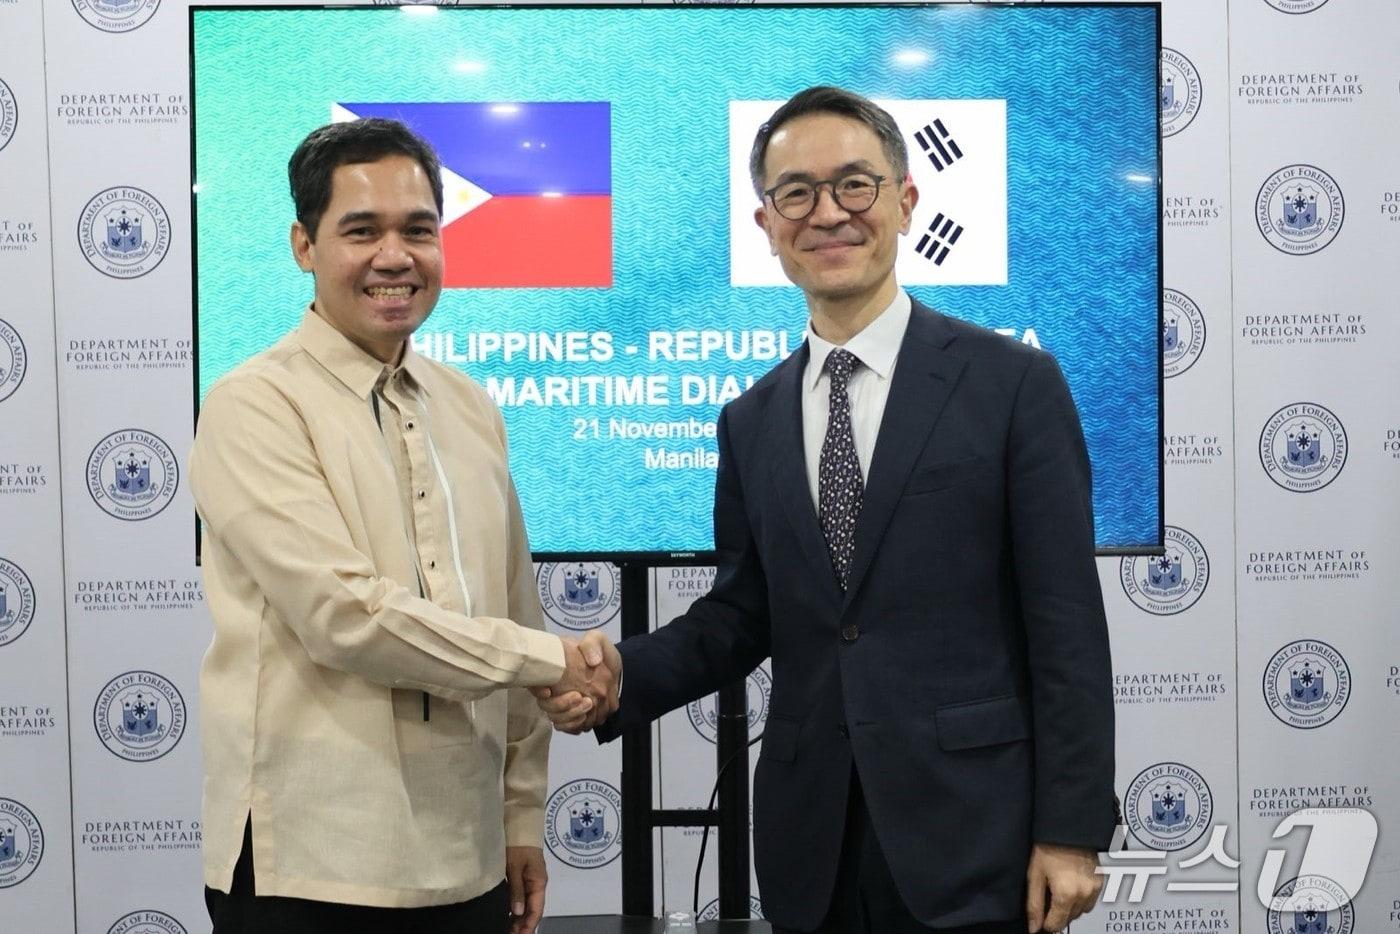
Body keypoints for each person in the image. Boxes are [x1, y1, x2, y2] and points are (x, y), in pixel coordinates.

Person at [536, 87, 1115, 934]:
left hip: (975, 838)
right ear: (767, 224)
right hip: (814, 846)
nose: (828, 214)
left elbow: (1067, 625)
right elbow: (743, 615)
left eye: (855, 185)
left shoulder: (1013, 385)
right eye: (796, 193)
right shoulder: (752, 419)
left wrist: (1069, 832)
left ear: (906, 202)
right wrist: (621, 677)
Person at [189, 118, 617, 934]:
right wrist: (550, 660)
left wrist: (522, 816)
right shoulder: (255, 405)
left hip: (469, 861)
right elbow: (344, 618)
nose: (396, 256)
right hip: (313, 867)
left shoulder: (470, 406)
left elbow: (515, 608)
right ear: (303, 246)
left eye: (419, 230)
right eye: (362, 230)